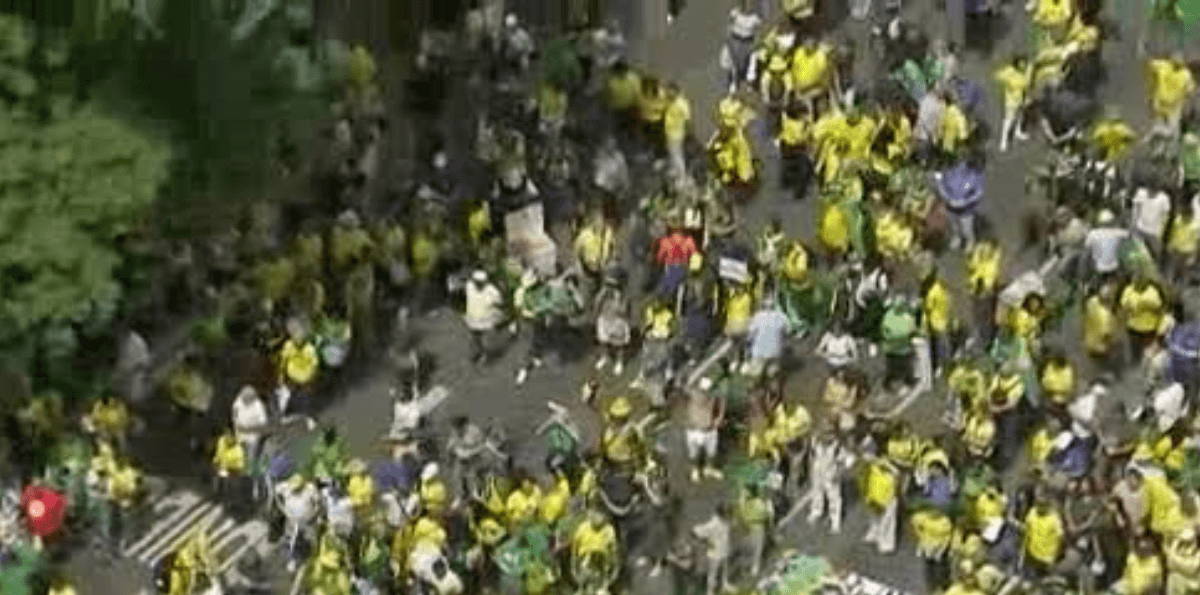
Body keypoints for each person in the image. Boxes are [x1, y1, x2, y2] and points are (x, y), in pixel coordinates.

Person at [807, 424, 850, 534]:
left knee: (834, 497)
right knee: (816, 492)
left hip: (831, 473)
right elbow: (812, 455)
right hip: (817, 471)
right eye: (825, 433)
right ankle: (816, 511)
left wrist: (838, 474)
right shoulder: (815, 441)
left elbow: (843, 461)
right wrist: (812, 468)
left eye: (830, 433)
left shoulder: (837, 446)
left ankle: (835, 521)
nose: (828, 436)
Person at [684, 379, 725, 482]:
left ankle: (709, 469)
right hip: (694, 429)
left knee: (711, 452)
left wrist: (720, 417)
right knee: (694, 453)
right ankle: (695, 470)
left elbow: (723, 401)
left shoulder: (714, 395)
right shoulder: (692, 393)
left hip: (710, 429)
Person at [1147, 52, 1195, 139]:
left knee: (1168, 128)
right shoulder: (1184, 73)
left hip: (1168, 105)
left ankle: (1159, 139)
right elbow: (1190, 91)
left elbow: (1151, 64)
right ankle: (1159, 140)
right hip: (1167, 105)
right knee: (1168, 128)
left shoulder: (1184, 73)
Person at [464, 270, 505, 365]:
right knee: (475, 339)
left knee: (485, 340)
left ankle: (484, 356)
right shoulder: (469, 286)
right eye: (476, 281)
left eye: (480, 282)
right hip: (472, 319)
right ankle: (477, 354)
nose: (477, 284)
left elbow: (500, 302)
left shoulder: (492, 291)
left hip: (486, 321)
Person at [994, 55, 1032, 152]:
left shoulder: (1025, 73)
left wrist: (1026, 97)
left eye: (1024, 63)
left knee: (1020, 116)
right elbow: (997, 76)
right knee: (1008, 120)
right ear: (1017, 63)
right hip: (1010, 101)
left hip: (1020, 99)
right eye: (1021, 63)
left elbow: (1026, 86)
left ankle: (1017, 131)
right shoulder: (1009, 71)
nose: (1023, 65)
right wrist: (1007, 84)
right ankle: (1003, 141)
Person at [692, 504, 732, 595]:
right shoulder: (713, 524)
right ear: (720, 514)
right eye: (726, 513)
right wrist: (705, 541)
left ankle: (724, 584)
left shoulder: (726, 521)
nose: (727, 515)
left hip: (724, 550)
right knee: (712, 574)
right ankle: (710, 591)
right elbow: (697, 531)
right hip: (715, 553)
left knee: (724, 569)